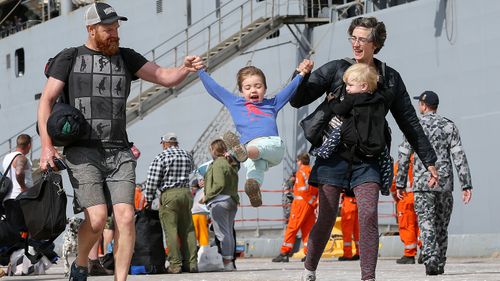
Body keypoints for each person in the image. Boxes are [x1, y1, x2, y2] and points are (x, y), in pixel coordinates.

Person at [36, 3, 203, 281]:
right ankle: (80, 263)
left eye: (116, 29)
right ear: (91, 30)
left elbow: (164, 76)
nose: (114, 34)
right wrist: (46, 145)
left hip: (119, 152)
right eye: (108, 29)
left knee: (126, 217)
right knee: (99, 217)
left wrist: (184, 69)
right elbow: (47, 101)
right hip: (82, 152)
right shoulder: (69, 58)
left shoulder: (126, 58)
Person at [290, 16, 439, 281]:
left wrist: (429, 159)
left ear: (376, 43)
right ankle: (309, 268)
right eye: (353, 38)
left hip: (368, 159)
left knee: (369, 214)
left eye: (363, 39)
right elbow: (298, 99)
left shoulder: (390, 79)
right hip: (333, 157)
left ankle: (368, 277)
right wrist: (300, 75)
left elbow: (409, 122)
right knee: (325, 217)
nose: (356, 44)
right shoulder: (337, 69)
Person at [195, 61, 313, 207]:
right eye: (248, 87)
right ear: (241, 91)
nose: (253, 90)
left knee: (255, 151)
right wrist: (200, 71)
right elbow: (215, 89)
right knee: (253, 169)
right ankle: (254, 188)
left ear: (265, 88)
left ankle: (243, 152)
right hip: (252, 152)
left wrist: (302, 74)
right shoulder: (235, 103)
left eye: (258, 86)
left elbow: (289, 90)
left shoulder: (272, 103)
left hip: (272, 146)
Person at [395, 91, 473, 275]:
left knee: (426, 221)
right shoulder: (449, 126)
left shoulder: (414, 126)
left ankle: (430, 259)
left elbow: (404, 155)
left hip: (422, 184)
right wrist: (466, 184)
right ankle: (440, 262)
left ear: (423, 105)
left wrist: (400, 182)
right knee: (441, 224)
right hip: (444, 184)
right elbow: (459, 156)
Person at [143, 133, 198, 274]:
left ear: (165, 143)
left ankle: (175, 265)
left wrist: (148, 199)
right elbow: (192, 170)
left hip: (169, 195)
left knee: (171, 230)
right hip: (186, 193)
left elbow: (152, 181)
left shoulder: (161, 157)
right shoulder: (187, 155)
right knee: (188, 229)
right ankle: (191, 264)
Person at [200, 139, 239, 271]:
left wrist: (207, 195)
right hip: (231, 200)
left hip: (219, 202)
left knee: (222, 234)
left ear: (214, 150)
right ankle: (230, 261)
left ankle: (227, 262)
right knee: (228, 233)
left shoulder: (217, 164)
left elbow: (219, 184)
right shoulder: (230, 163)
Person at [272, 153, 317, 263]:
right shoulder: (312, 171)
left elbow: (302, 190)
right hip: (310, 205)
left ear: (300, 161)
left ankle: (284, 252)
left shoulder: (301, 172)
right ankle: (309, 254)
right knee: (308, 230)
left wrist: (310, 201)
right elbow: (315, 189)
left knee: (292, 227)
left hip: (301, 203)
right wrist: (314, 202)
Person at [391, 154, 421, 264]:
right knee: (421, 224)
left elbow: (393, 182)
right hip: (421, 197)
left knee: (407, 225)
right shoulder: (421, 160)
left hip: (405, 197)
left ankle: (409, 254)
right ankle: (425, 250)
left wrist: (395, 197)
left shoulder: (401, 162)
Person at [2, 134, 32, 233]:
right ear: (29, 145)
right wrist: (23, 187)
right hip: (19, 200)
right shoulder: (22, 158)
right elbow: (19, 172)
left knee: (13, 233)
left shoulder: (7, 158)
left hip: (8, 200)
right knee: (21, 233)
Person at [339, 191, 360, 261]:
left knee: (347, 231)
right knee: (358, 230)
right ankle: (360, 252)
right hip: (358, 202)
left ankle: (347, 254)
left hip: (348, 202)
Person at [190, 178, 209, 249]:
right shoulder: (202, 190)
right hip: (198, 213)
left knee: (199, 233)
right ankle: (203, 249)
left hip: (199, 213)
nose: (202, 182)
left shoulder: (206, 188)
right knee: (200, 233)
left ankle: (200, 249)